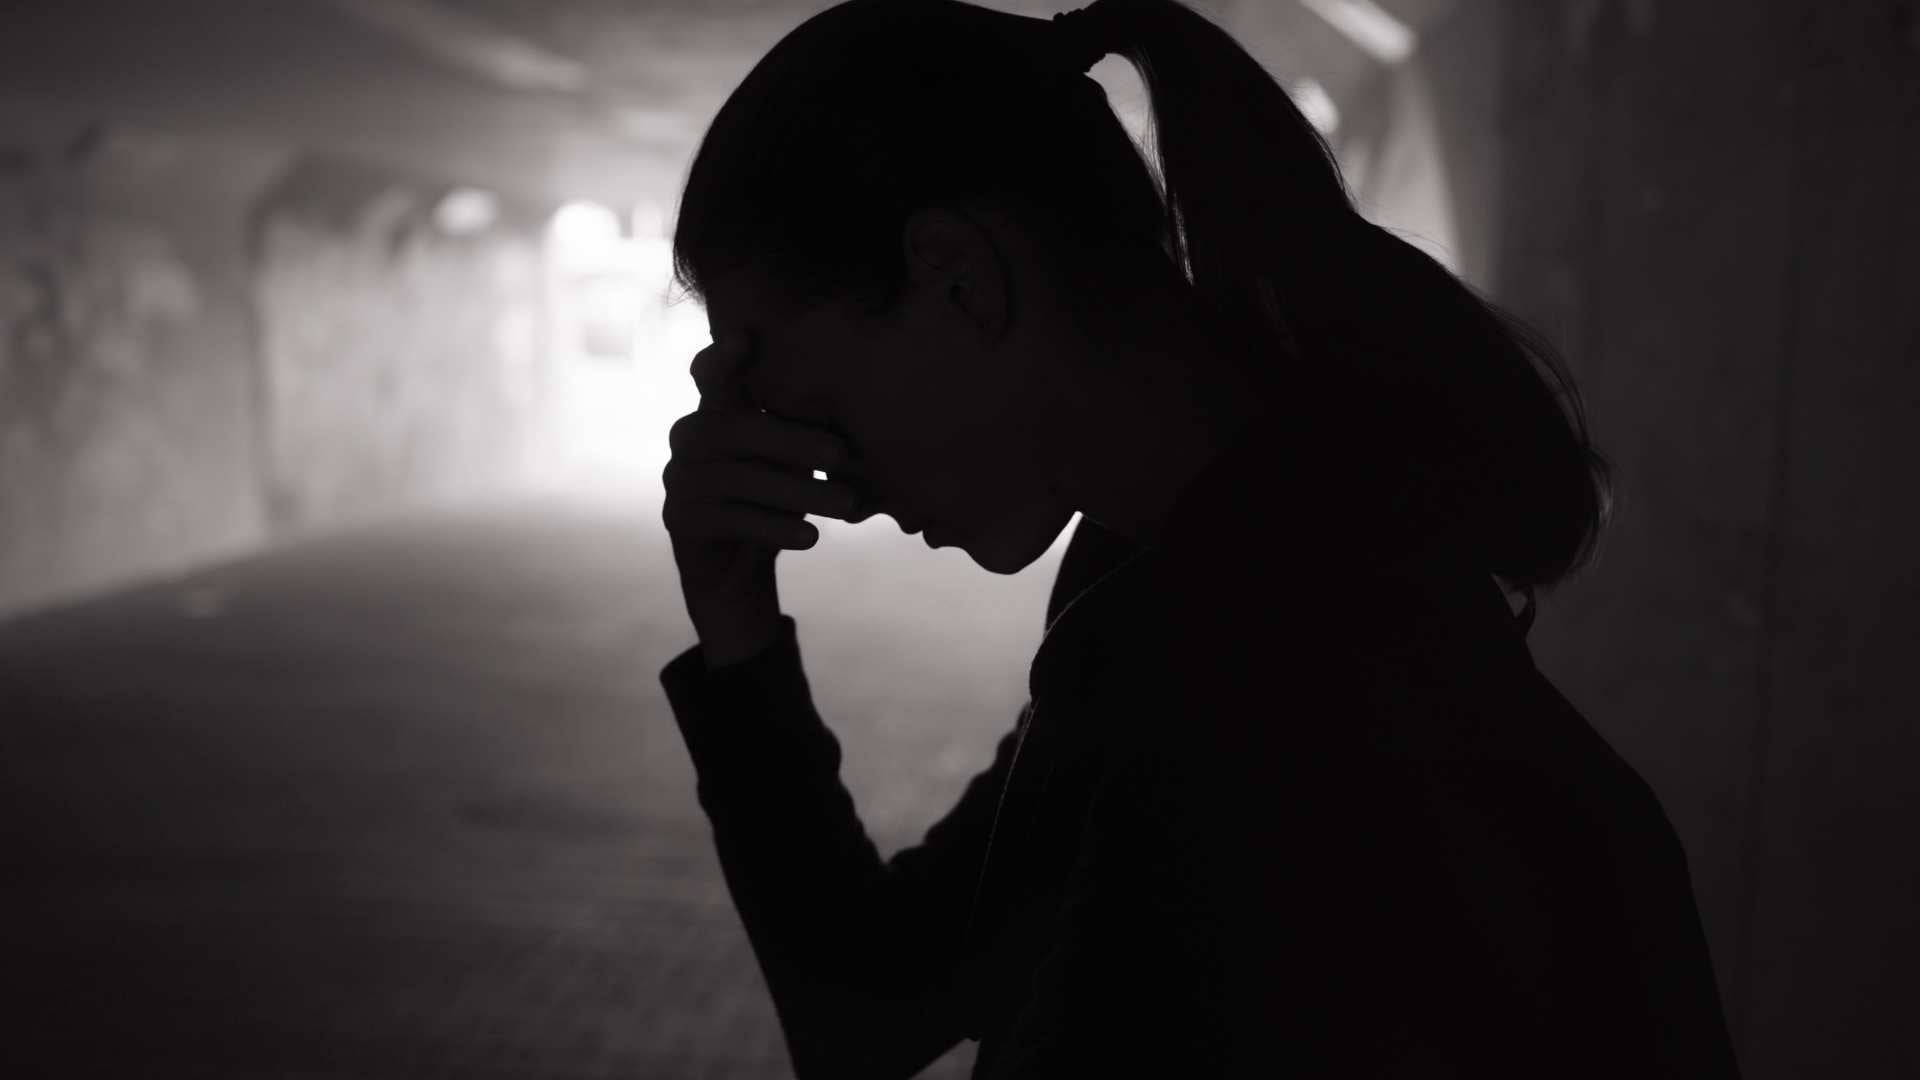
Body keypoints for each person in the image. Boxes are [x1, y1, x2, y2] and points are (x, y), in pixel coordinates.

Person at [656, 1, 1743, 1076]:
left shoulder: (1261, 685)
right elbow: (877, 1009)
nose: (839, 481)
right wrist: (735, 613)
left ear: (959, 276)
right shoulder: (1201, 579)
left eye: (815, 407)